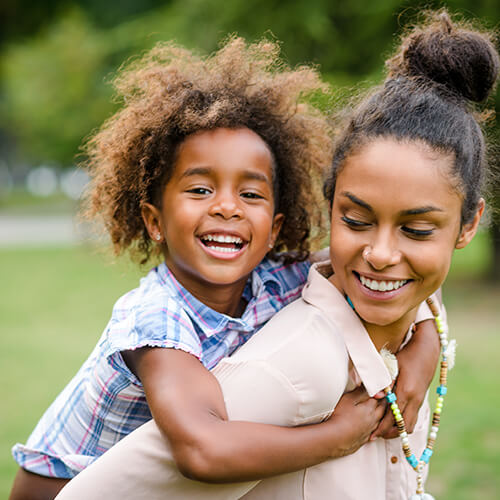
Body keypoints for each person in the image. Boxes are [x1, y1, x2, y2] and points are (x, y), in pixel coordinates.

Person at [52, 9, 498, 500]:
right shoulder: (156, 322)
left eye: (250, 195)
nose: (225, 207)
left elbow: (388, 275)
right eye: (200, 190)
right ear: (153, 221)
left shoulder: (276, 279)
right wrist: (333, 438)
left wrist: (426, 343)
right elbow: (200, 450)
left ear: (276, 229)